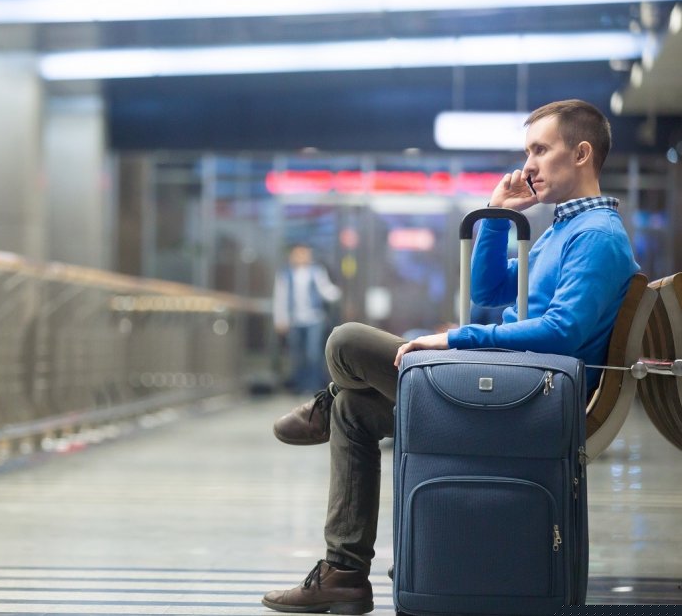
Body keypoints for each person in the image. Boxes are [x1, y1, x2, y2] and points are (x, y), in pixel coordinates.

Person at [263, 99, 639, 614]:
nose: (528, 165)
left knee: (346, 342)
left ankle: (323, 404)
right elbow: (489, 290)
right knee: (355, 411)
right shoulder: (561, 231)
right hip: (516, 387)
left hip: (530, 402)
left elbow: (563, 332)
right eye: (527, 152)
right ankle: (344, 575)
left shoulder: (595, 236)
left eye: (540, 150)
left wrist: (456, 340)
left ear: (581, 154)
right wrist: (499, 215)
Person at [273, 244, 343, 396]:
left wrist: (338, 293)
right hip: (294, 320)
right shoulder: (285, 274)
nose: (301, 257)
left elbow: (326, 290)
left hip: (314, 318)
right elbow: (280, 298)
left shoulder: (316, 272)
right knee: (297, 354)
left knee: (313, 353)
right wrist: (280, 319)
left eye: (304, 253)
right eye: (297, 254)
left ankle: (313, 385)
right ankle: (299, 385)